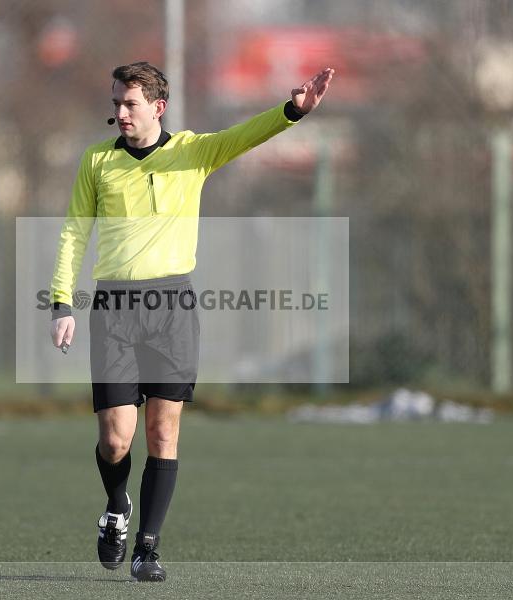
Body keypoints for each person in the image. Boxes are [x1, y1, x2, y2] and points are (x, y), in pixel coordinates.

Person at [49, 61, 333, 582]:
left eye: (129, 103)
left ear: (158, 107)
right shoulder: (97, 162)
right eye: (115, 103)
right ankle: (116, 508)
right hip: (113, 310)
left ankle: (148, 548)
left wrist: (293, 111)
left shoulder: (193, 153)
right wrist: (62, 302)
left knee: (163, 430)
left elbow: (246, 135)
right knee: (115, 440)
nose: (119, 113)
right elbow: (73, 232)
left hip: (172, 309)